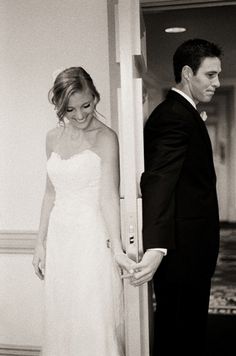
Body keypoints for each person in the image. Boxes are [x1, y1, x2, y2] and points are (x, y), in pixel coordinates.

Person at [32, 66, 134, 356]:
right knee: (62, 315)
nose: (79, 115)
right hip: (61, 240)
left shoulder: (106, 137)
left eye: (86, 105)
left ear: (95, 97)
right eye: (70, 109)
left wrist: (116, 248)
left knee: (91, 317)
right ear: (59, 107)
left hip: (90, 238)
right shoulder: (52, 138)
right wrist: (40, 243)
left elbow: (108, 196)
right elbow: (50, 192)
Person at [131, 39, 222, 355]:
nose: (217, 83)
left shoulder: (183, 113)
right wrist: (156, 246)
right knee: (178, 333)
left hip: (191, 250)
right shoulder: (173, 116)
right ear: (187, 73)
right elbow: (158, 181)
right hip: (181, 252)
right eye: (210, 75)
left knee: (187, 331)